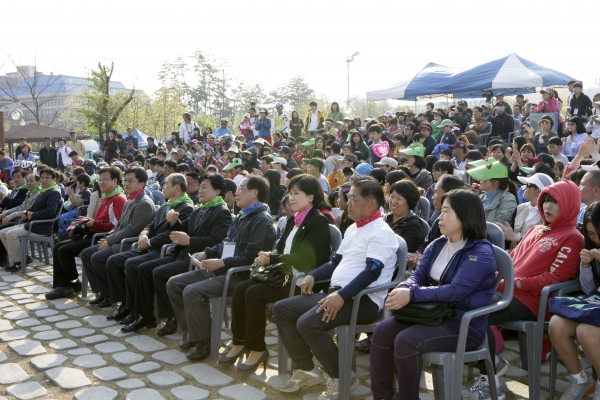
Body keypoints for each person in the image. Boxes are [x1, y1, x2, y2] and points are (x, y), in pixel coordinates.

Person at [274, 177, 398, 399]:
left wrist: (341, 295)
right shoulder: (352, 228)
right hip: (338, 294)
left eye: (353, 198)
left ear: (371, 204)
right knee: (282, 309)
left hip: (362, 301)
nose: (347, 203)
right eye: (348, 198)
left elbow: (372, 272)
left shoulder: (382, 232)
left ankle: (343, 375)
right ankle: (308, 370)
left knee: (308, 323)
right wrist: (313, 275)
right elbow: (335, 262)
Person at [462, 179, 585, 399]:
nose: (547, 207)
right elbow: (512, 260)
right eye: (545, 201)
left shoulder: (573, 238)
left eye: (554, 202)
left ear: (569, 204)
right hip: (507, 291)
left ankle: (490, 382)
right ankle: (494, 367)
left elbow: (556, 278)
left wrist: (516, 283)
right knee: (462, 302)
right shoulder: (535, 229)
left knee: (474, 312)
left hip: (534, 301)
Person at [370, 189, 496, 400]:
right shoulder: (437, 244)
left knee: (406, 341)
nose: (440, 217)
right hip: (431, 315)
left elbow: (457, 291)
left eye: (446, 211)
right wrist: (406, 288)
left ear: (465, 215)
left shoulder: (480, 253)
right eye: (441, 210)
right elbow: (416, 277)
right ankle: (382, 396)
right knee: (382, 331)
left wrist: (413, 295)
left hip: (462, 323)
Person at [220, 174, 332, 372]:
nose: (291, 198)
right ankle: (239, 342)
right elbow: (281, 250)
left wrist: (273, 259)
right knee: (241, 288)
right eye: (290, 193)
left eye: (297, 193)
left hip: (302, 282)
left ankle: (257, 349)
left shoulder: (318, 222)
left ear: (311, 197)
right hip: (283, 277)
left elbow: (305, 257)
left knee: (253, 293)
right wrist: (267, 255)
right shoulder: (293, 219)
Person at [166, 176, 276, 361]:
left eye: (241, 188)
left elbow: (252, 256)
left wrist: (223, 263)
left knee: (192, 292)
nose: (236, 192)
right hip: (223, 268)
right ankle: (195, 332)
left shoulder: (261, 220)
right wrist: (206, 253)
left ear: (254, 193)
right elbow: (225, 243)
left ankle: (206, 340)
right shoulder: (242, 216)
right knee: (174, 284)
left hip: (240, 274)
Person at [103, 173, 195, 324]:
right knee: (114, 261)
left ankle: (144, 313)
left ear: (177, 188)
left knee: (133, 264)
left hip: (163, 250)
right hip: (149, 246)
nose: (163, 187)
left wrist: (150, 242)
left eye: (166, 184)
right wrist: (143, 236)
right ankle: (127, 305)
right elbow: (150, 225)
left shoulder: (186, 208)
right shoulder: (166, 205)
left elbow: (171, 234)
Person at [45, 167, 127, 299]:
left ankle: (73, 284)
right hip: (92, 233)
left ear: (115, 181)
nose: (101, 182)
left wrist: (94, 223)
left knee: (64, 251)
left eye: (105, 179)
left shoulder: (118, 199)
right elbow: (102, 220)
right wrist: (87, 221)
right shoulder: (106, 197)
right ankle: (63, 285)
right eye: (100, 179)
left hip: (100, 238)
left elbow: (117, 225)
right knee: (57, 248)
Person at [81, 167, 156, 306]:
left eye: (131, 181)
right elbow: (120, 225)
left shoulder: (144, 203)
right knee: (86, 254)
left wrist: (109, 241)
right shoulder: (130, 201)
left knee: (97, 258)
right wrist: (108, 237)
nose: (126, 184)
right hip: (119, 240)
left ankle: (113, 295)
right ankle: (103, 292)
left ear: (142, 184)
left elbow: (131, 231)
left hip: (129, 244)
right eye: (125, 180)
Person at [548, 202, 600, 400]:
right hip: (596, 304)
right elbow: (589, 291)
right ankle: (581, 379)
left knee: (585, 331)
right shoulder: (592, 246)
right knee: (557, 325)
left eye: (598, 233)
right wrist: (586, 266)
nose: (596, 239)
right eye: (591, 234)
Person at [0, 169, 63, 272]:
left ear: (54, 179)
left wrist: (31, 215)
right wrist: (26, 212)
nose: (44, 180)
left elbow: (50, 211)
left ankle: (18, 261)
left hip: (40, 226)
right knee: (2, 232)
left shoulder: (54, 192)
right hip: (32, 223)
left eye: (47, 178)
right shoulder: (43, 191)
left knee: (11, 234)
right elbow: (33, 208)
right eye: (42, 177)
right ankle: (23, 257)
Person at [498, 173, 553, 250]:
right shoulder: (520, 208)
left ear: (538, 190)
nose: (525, 187)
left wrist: (517, 238)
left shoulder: (548, 215)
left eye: (529, 184)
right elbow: (510, 237)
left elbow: (543, 244)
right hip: (512, 255)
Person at [385, 179, 424, 253]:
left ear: (410, 202)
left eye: (399, 199)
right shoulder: (386, 218)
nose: (393, 202)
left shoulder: (413, 226)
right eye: (392, 196)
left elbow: (401, 253)